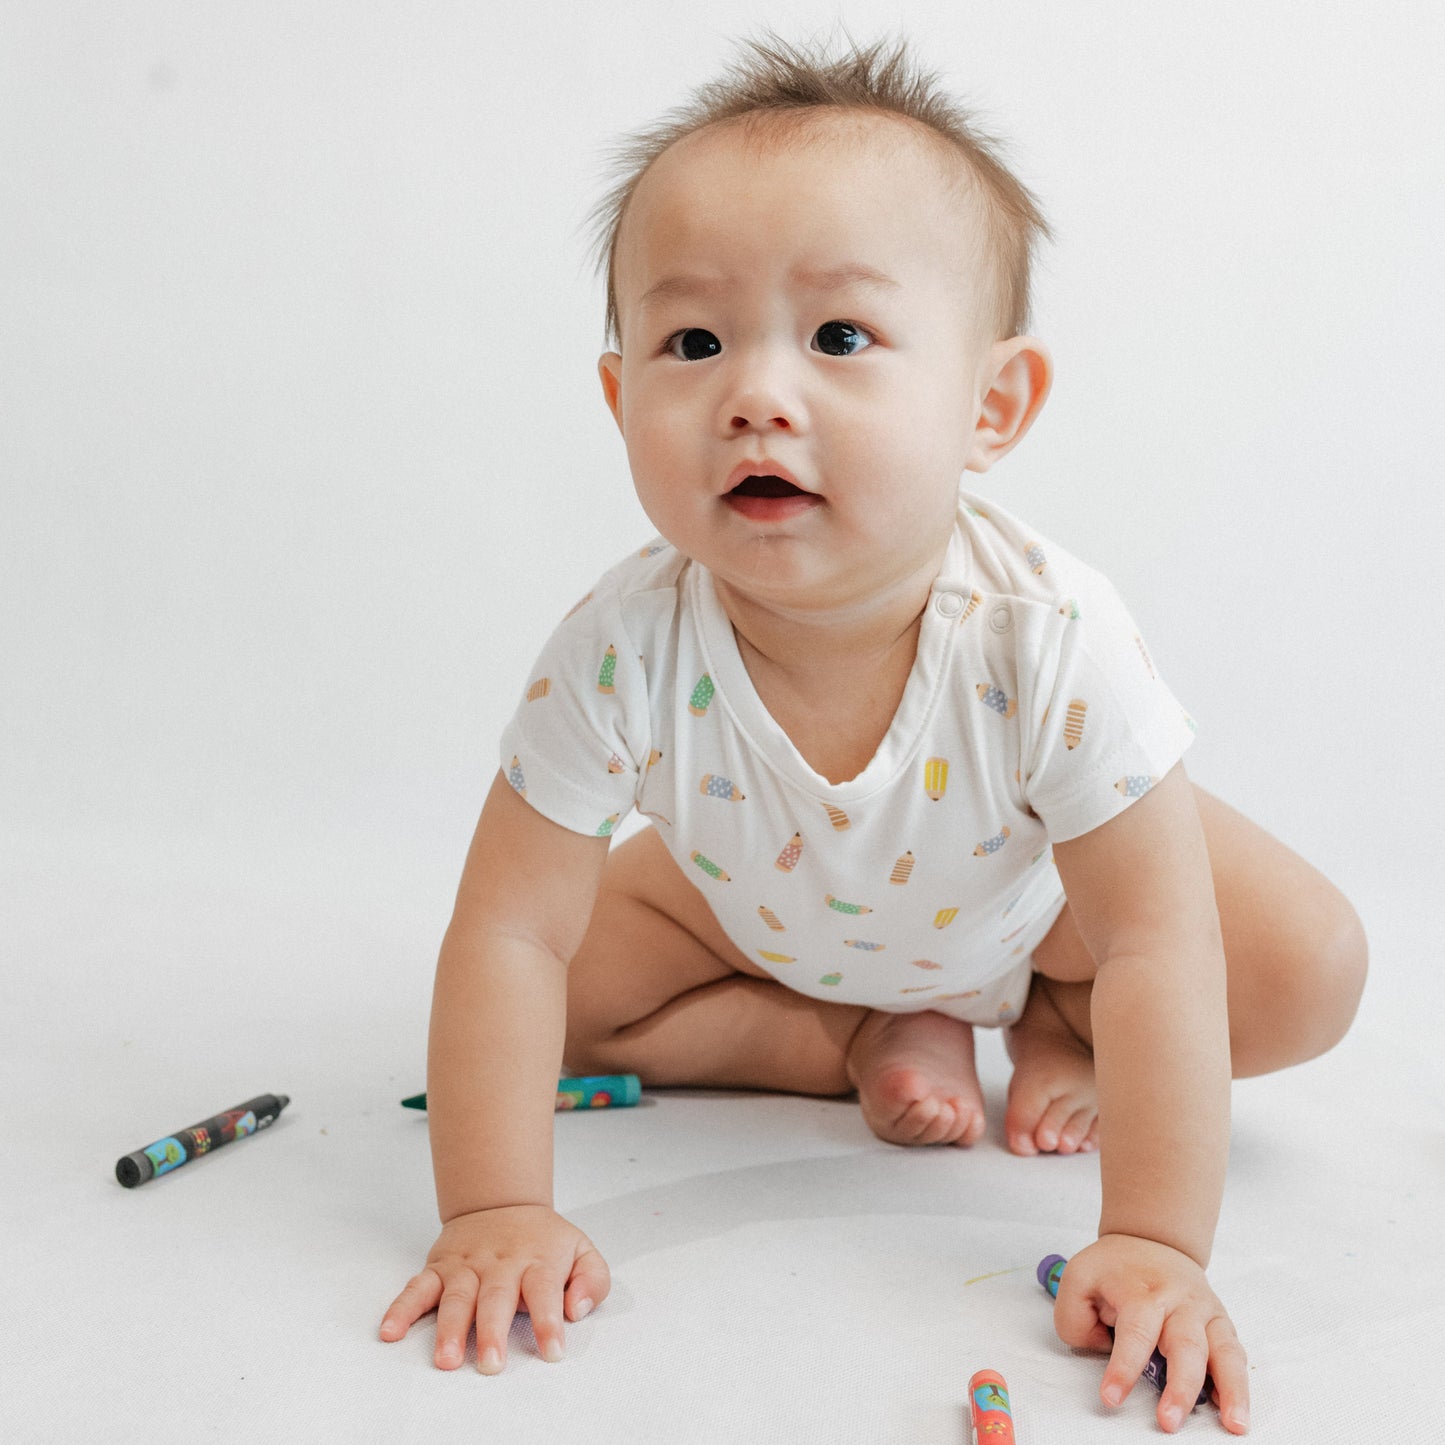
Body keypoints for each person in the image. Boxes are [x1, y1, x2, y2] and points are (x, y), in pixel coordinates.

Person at [379, 35, 1367, 1435]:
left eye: (838, 338)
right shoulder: (619, 646)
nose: (755, 394)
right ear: (619, 399)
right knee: (550, 996)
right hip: (762, 904)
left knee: (1304, 967)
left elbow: (1154, 940)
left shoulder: (1045, 637)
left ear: (989, 406)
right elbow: (506, 934)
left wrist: (1154, 1239)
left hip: (1042, 911)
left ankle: (1052, 1028)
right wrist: (493, 1206)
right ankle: (848, 1030)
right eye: (692, 342)